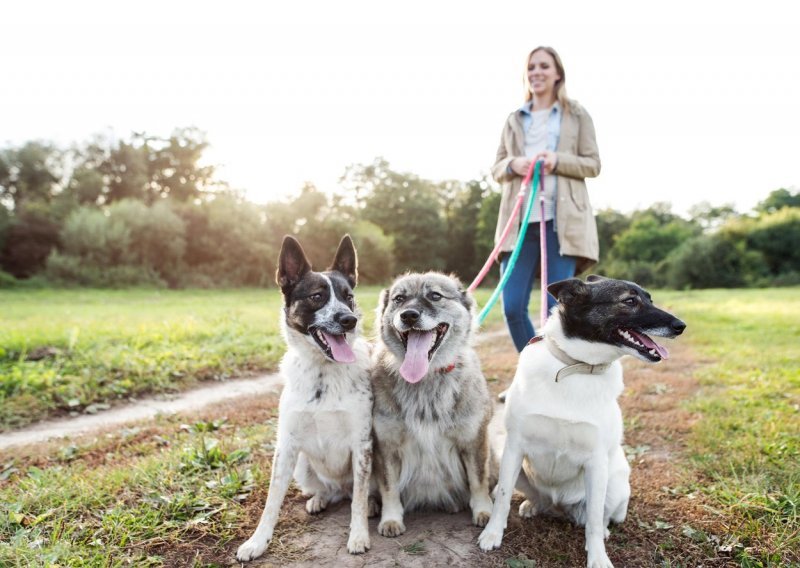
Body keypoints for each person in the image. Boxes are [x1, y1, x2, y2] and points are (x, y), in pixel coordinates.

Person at [492, 46, 601, 353]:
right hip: (519, 225)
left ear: (557, 74)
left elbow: (592, 164)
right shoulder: (515, 119)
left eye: (543, 66)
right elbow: (497, 166)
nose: (536, 72)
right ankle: (533, 367)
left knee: (558, 309)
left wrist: (556, 159)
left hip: (561, 225)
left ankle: (559, 376)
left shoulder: (576, 115)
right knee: (513, 307)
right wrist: (514, 164)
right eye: (531, 67)